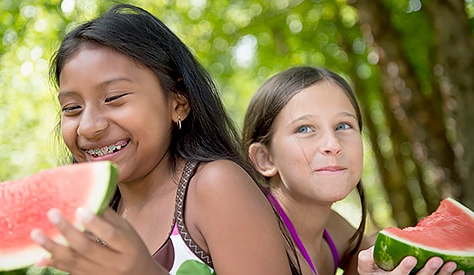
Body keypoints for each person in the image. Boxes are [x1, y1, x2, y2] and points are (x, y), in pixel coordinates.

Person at [27, 4, 295, 275]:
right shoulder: (90, 215)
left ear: (178, 102)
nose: (88, 127)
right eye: (72, 108)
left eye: (114, 98)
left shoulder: (215, 185)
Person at [241, 66, 465, 275]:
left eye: (343, 126)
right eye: (305, 129)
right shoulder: (256, 236)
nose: (333, 144)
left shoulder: (334, 228)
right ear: (265, 158)